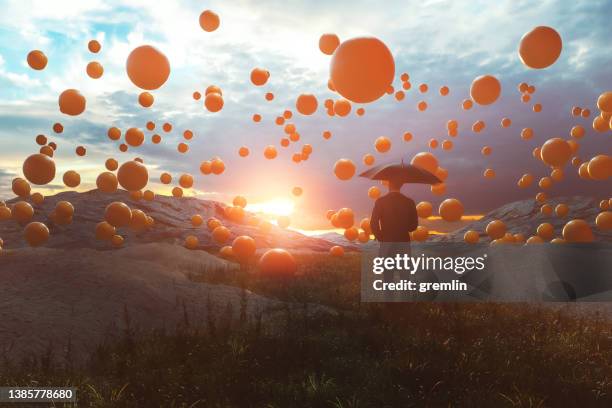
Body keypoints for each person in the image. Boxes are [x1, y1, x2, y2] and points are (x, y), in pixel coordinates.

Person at [370, 178, 418, 283]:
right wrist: (404, 226)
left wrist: (381, 238)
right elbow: (413, 226)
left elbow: (373, 224)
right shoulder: (409, 202)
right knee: (404, 277)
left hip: (386, 243)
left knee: (387, 277)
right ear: (401, 185)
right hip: (403, 243)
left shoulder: (380, 201)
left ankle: (389, 298)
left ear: (388, 185)